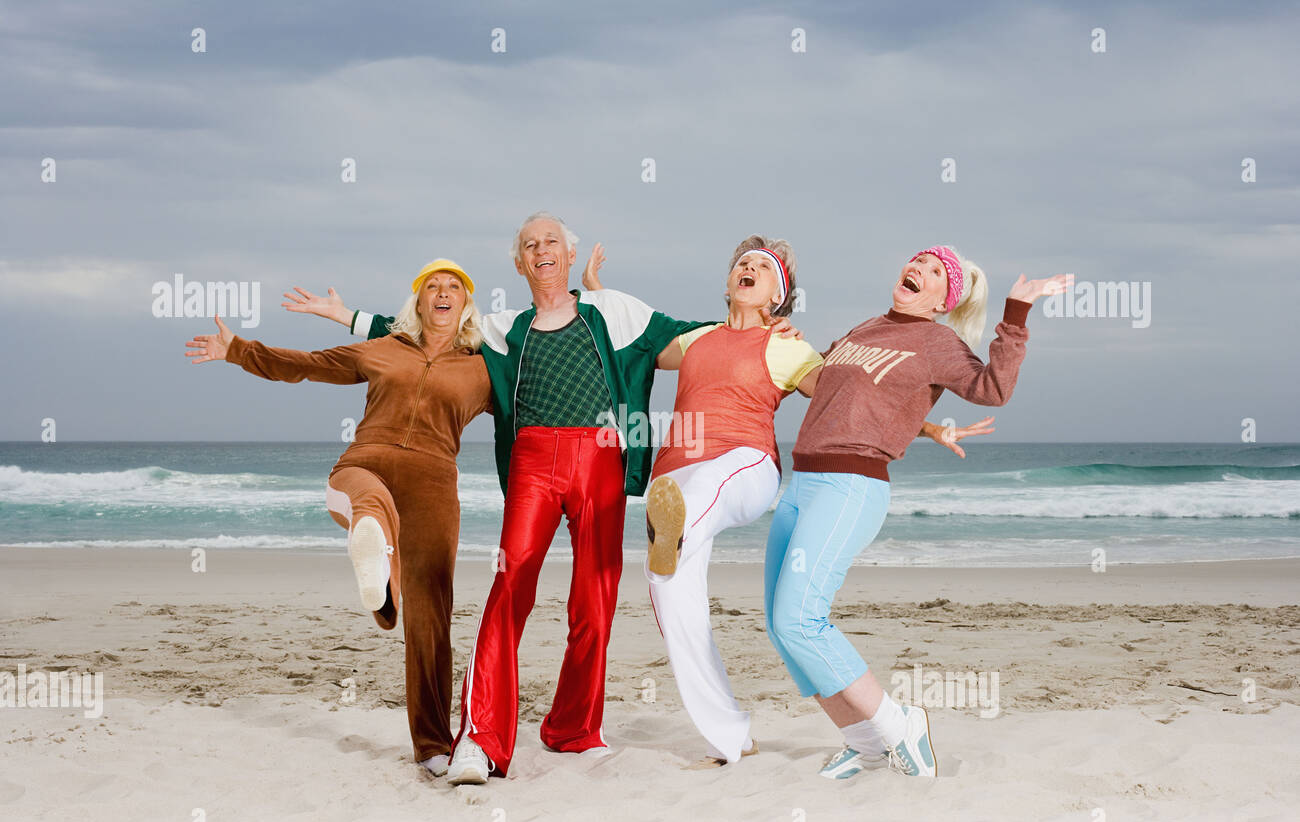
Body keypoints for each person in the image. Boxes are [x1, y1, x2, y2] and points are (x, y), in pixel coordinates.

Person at [283, 212, 805, 785]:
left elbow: (701, 337)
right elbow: (433, 330)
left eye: (551, 240)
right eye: (529, 244)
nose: (541, 250)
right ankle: (480, 743)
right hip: (533, 460)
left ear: (567, 252)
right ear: (520, 262)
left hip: (602, 455)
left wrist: (766, 328)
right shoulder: (504, 327)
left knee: (595, 598)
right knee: (511, 587)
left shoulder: (614, 312)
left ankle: (573, 731)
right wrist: (350, 316)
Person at [591, 236, 988, 767]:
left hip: (745, 467)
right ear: (730, 282)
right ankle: (730, 735)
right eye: (741, 264)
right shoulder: (696, 338)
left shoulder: (788, 347)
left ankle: (679, 518)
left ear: (778, 296)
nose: (747, 269)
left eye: (761, 266)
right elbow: (634, 343)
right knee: (672, 597)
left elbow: (855, 399)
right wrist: (596, 291)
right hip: (677, 476)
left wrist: (930, 427)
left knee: (707, 491)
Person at [764, 245, 1071, 779]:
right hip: (801, 483)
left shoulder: (936, 342)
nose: (919, 269)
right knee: (780, 626)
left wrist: (1016, 314)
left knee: (801, 620)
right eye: (918, 261)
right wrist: (792, 343)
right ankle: (865, 743)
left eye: (934, 272)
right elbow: (839, 393)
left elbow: (992, 389)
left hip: (851, 484)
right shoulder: (861, 331)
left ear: (942, 300)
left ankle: (899, 722)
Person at [186, 260, 491, 776]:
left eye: (453, 287)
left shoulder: (485, 368)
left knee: (431, 614)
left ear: (466, 303)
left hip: (434, 483)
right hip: (365, 463)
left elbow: (530, 414)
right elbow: (307, 363)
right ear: (417, 303)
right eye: (432, 287)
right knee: (364, 503)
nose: (443, 293)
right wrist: (238, 350)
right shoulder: (382, 349)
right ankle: (372, 548)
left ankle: (433, 744)